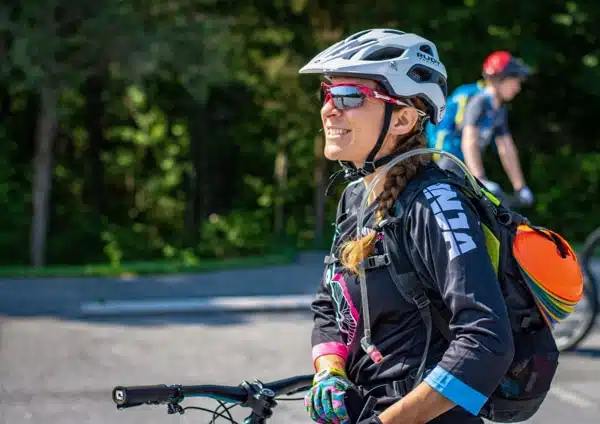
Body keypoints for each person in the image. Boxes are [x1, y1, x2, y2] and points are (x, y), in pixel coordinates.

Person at [299, 29, 514, 424]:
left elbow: (486, 342)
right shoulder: (355, 196)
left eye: (348, 96)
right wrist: (329, 371)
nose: (329, 109)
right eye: (327, 94)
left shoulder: (436, 202)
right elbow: (330, 304)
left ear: (402, 119)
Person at [425, 51, 534, 206]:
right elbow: (469, 142)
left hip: (465, 167)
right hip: (449, 163)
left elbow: (506, 148)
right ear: (500, 79)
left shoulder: (498, 108)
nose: (518, 87)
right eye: (515, 80)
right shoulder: (479, 101)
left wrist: (521, 188)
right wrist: (480, 180)